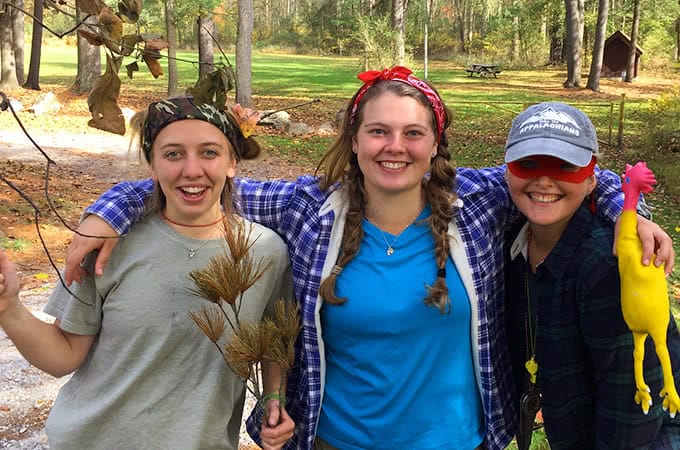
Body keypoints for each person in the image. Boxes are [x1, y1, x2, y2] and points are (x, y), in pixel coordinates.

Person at [62, 67, 675, 450]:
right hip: (334, 442)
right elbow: (197, 181)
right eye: (378, 131)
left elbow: (565, 178)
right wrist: (111, 208)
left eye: (413, 133)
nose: (395, 147)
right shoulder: (308, 210)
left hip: (461, 441)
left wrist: (630, 213)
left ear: (436, 144)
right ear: (354, 141)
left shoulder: (479, 202)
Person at [0, 97, 295, 450]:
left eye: (209, 153)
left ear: (233, 162)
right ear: (152, 165)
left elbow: (273, 343)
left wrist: (272, 398)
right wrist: (9, 308)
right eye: (172, 154)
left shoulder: (267, 252)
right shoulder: (109, 245)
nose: (191, 170)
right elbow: (63, 355)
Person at [503, 102, 680, 449]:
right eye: (528, 163)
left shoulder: (607, 267)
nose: (543, 180)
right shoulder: (513, 240)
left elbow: (631, 410)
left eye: (565, 166)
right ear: (505, 171)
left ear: (590, 181)